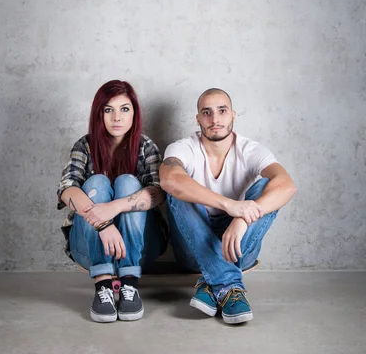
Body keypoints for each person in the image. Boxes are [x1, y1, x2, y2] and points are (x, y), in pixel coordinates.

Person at [160, 88, 296, 325]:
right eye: (207, 112)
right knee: (179, 191)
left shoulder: (250, 149)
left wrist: (242, 219)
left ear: (233, 114)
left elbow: (287, 186)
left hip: (240, 245)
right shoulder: (183, 147)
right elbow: (169, 179)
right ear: (198, 118)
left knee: (268, 186)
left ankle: (212, 282)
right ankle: (229, 286)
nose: (215, 120)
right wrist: (230, 205)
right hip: (193, 247)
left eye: (222, 111)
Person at [57, 80, 167, 323]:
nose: (117, 117)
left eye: (124, 109)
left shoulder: (145, 146)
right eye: (108, 109)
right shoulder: (85, 146)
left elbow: (159, 193)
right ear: (99, 114)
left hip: (138, 249)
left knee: (128, 182)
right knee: (96, 183)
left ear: (134, 113)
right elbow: (66, 189)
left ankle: (130, 284)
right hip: (88, 246)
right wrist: (103, 225)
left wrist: (115, 207)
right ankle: (103, 284)